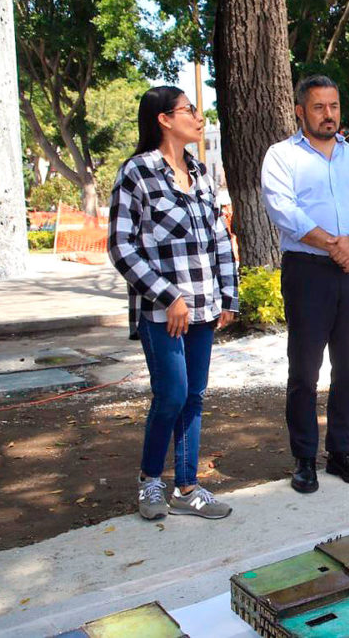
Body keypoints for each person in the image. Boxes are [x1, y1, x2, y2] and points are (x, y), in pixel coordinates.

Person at [108, 86, 237, 521]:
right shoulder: (137, 172)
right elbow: (121, 247)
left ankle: (186, 487)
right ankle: (150, 482)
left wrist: (228, 296)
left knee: (194, 396)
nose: (199, 118)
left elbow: (219, 239)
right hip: (161, 313)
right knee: (172, 395)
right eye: (190, 110)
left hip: (203, 309)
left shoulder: (200, 174)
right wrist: (168, 296)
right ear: (164, 119)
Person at [261, 75, 349, 492]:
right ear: (300, 111)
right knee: (304, 371)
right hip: (307, 271)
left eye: (333, 106)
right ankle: (303, 458)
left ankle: (341, 452)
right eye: (319, 107)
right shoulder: (281, 157)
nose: (328, 114)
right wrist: (334, 244)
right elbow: (285, 212)